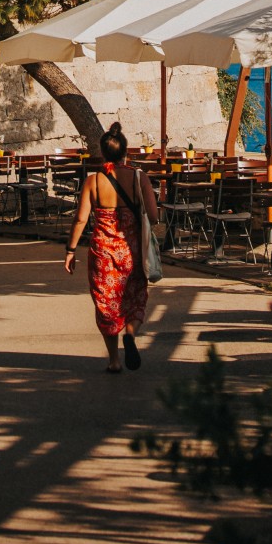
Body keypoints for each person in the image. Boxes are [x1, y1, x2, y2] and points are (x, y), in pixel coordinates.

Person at [64, 121, 160, 373]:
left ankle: (114, 360)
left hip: (103, 253)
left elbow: (81, 219)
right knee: (136, 297)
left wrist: (70, 250)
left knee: (107, 304)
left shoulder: (93, 182)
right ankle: (131, 333)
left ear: (103, 153)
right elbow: (154, 215)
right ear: (126, 151)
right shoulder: (140, 178)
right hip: (133, 250)